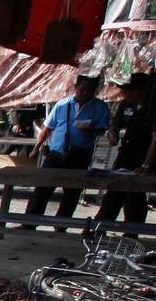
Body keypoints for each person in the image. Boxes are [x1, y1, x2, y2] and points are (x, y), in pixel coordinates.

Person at [23, 74, 111, 230]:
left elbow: (103, 129)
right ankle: (29, 222)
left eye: (90, 90)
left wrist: (91, 130)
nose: (85, 93)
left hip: (79, 154)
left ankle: (61, 224)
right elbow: (48, 127)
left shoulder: (100, 107)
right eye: (83, 89)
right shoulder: (63, 105)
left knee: (72, 192)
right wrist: (37, 147)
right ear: (76, 87)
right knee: (42, 189)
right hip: (56, 153)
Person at [94, 73, 156, 229]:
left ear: (139, 91)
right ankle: (100, 228)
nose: (124, 94)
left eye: (127, 91)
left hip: (144, 154)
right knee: (113, 192)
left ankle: (132, 231)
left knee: (135, 196)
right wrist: (112, 136)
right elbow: (115, 126)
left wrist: (147, 165)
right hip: (126, 152)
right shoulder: (126, 105)